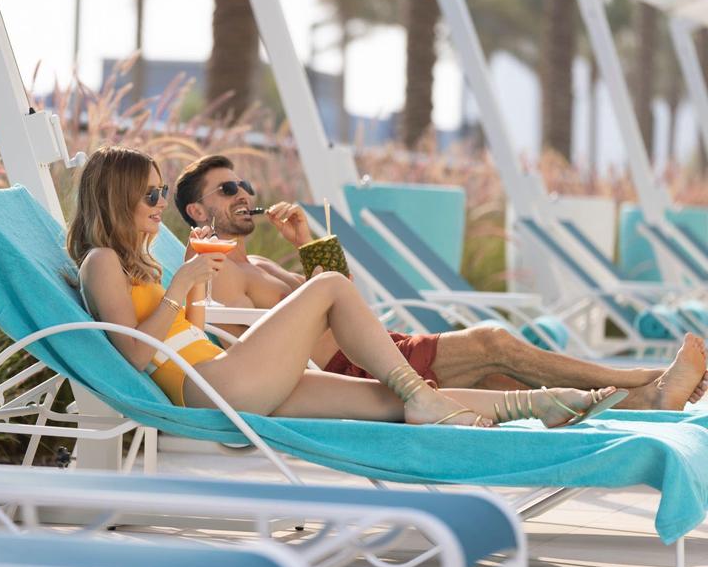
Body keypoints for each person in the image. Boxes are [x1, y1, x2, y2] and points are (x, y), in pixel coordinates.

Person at [69, 145, 630, 429]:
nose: (158, 204)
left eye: (160, 193)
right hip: (219, 384)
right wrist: (185, 284)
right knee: (483, 346)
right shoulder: (102, 262)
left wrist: (306, 242)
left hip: (255, 369)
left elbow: (343, 295)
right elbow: (134, 355)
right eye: (151, 196)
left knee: (394, 400)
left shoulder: (207, 262)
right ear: (118, 197)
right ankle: (631, 384)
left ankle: (542, 405)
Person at [173, 153, 708, 412]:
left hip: (375, 348)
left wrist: (305, 242)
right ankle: (641, 375)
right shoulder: (214, 271)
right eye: (227, 191)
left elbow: (340, 293)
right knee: (493, 342)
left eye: (243, 184)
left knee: (501, 382)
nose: (243, 195)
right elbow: (241, 353)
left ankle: (650, 400)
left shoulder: (259, 264)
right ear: (197, 211)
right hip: (354, 370)